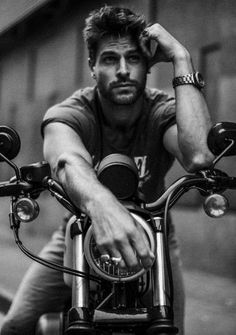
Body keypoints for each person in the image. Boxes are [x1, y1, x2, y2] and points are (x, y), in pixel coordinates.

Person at [1, 5, 214, 335]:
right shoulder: (73, 111)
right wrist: (103, 207)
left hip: (154, 233)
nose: (124, 70)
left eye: (134, 58)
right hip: (80, 228)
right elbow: (65, 161)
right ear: (92, 66)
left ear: (148, 64)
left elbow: (199, 155)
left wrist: (181, 58)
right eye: (111, 59)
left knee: (169, 328)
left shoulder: (162, 110)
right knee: (15, 324)